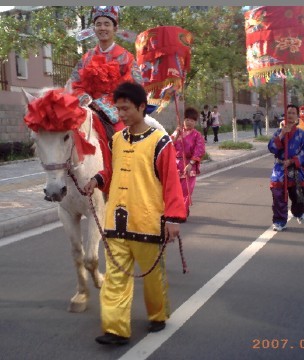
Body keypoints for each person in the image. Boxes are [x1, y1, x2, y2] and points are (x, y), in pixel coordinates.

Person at [83, 81, 186, 346]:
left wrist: (173, 218)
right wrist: (97, 178)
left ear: (142, 107)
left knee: (153, 276)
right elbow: (112, 172)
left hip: (147, 222)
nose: (122, 114)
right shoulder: (116, 140)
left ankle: (158, 314)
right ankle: (115, 329)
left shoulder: (160, 142)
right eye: (118, 110)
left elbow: (172, 183)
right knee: (115, 276)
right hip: (115, 221)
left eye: (126, 108)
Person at [69, 6, 143, 141]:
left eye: (107, 24)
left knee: (121, 140)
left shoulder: (126, 57)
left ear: (115, 28)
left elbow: (138, 87)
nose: (102, 28)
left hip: (118, 112)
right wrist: (86, 99)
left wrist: (108, 104)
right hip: (89, 108)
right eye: (98, 24)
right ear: (94, 29)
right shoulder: (86, 58)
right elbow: (74, 84)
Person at [268, 104, 304, 232]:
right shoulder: (279, 132)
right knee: (278, 194)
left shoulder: (302, 134)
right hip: (280, 168)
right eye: (288, 113)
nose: (290, 115)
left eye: (293, 113)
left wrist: (292, 161)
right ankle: (279, 221)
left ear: (297, 116)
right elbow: (271, 148)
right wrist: (281, 135)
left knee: (298, 195)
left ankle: (298, 212)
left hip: (294, 169)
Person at [171, 107, 205, 217]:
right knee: (176, 191)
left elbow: (199, 150)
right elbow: (168, 145)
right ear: (183, 120)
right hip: (176, 165)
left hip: (189, 166)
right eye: (187, 119)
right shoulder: (177, 132)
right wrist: (176, 136)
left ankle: (182, 211)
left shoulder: (197, 135)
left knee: (186, 190)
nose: (188, 122)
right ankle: (177, 209)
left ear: (195, 122)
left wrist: (191, 164)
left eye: (192, 120)